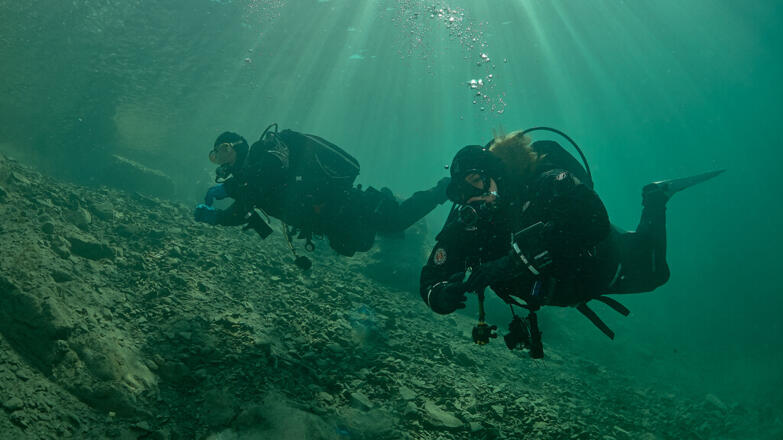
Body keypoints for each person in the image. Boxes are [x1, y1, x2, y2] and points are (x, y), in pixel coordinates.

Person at [420, 129, 723, 355]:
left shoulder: (546, 182)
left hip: (603, 266)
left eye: (477, 181)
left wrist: (512, 262)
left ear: (497, 173)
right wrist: (440, 296)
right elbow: (432, 275)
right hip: (564, 289)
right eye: (463, 192)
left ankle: (655, 198)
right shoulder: (469, 222)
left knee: (656, 273)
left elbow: (594, 220)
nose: (473, 198)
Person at [194, 123, 450, 263]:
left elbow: (270, 170)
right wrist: (216, 217)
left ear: (238, 147)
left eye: (224, 150)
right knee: (368, 240)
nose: (221, 159)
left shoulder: (263, 151)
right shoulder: (246, 183)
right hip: (329, 222)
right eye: (215, 155)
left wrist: (228, 188)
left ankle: (445, 188)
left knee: (394, 222)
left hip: (345, 205)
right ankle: (388, 201)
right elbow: (242, 211)